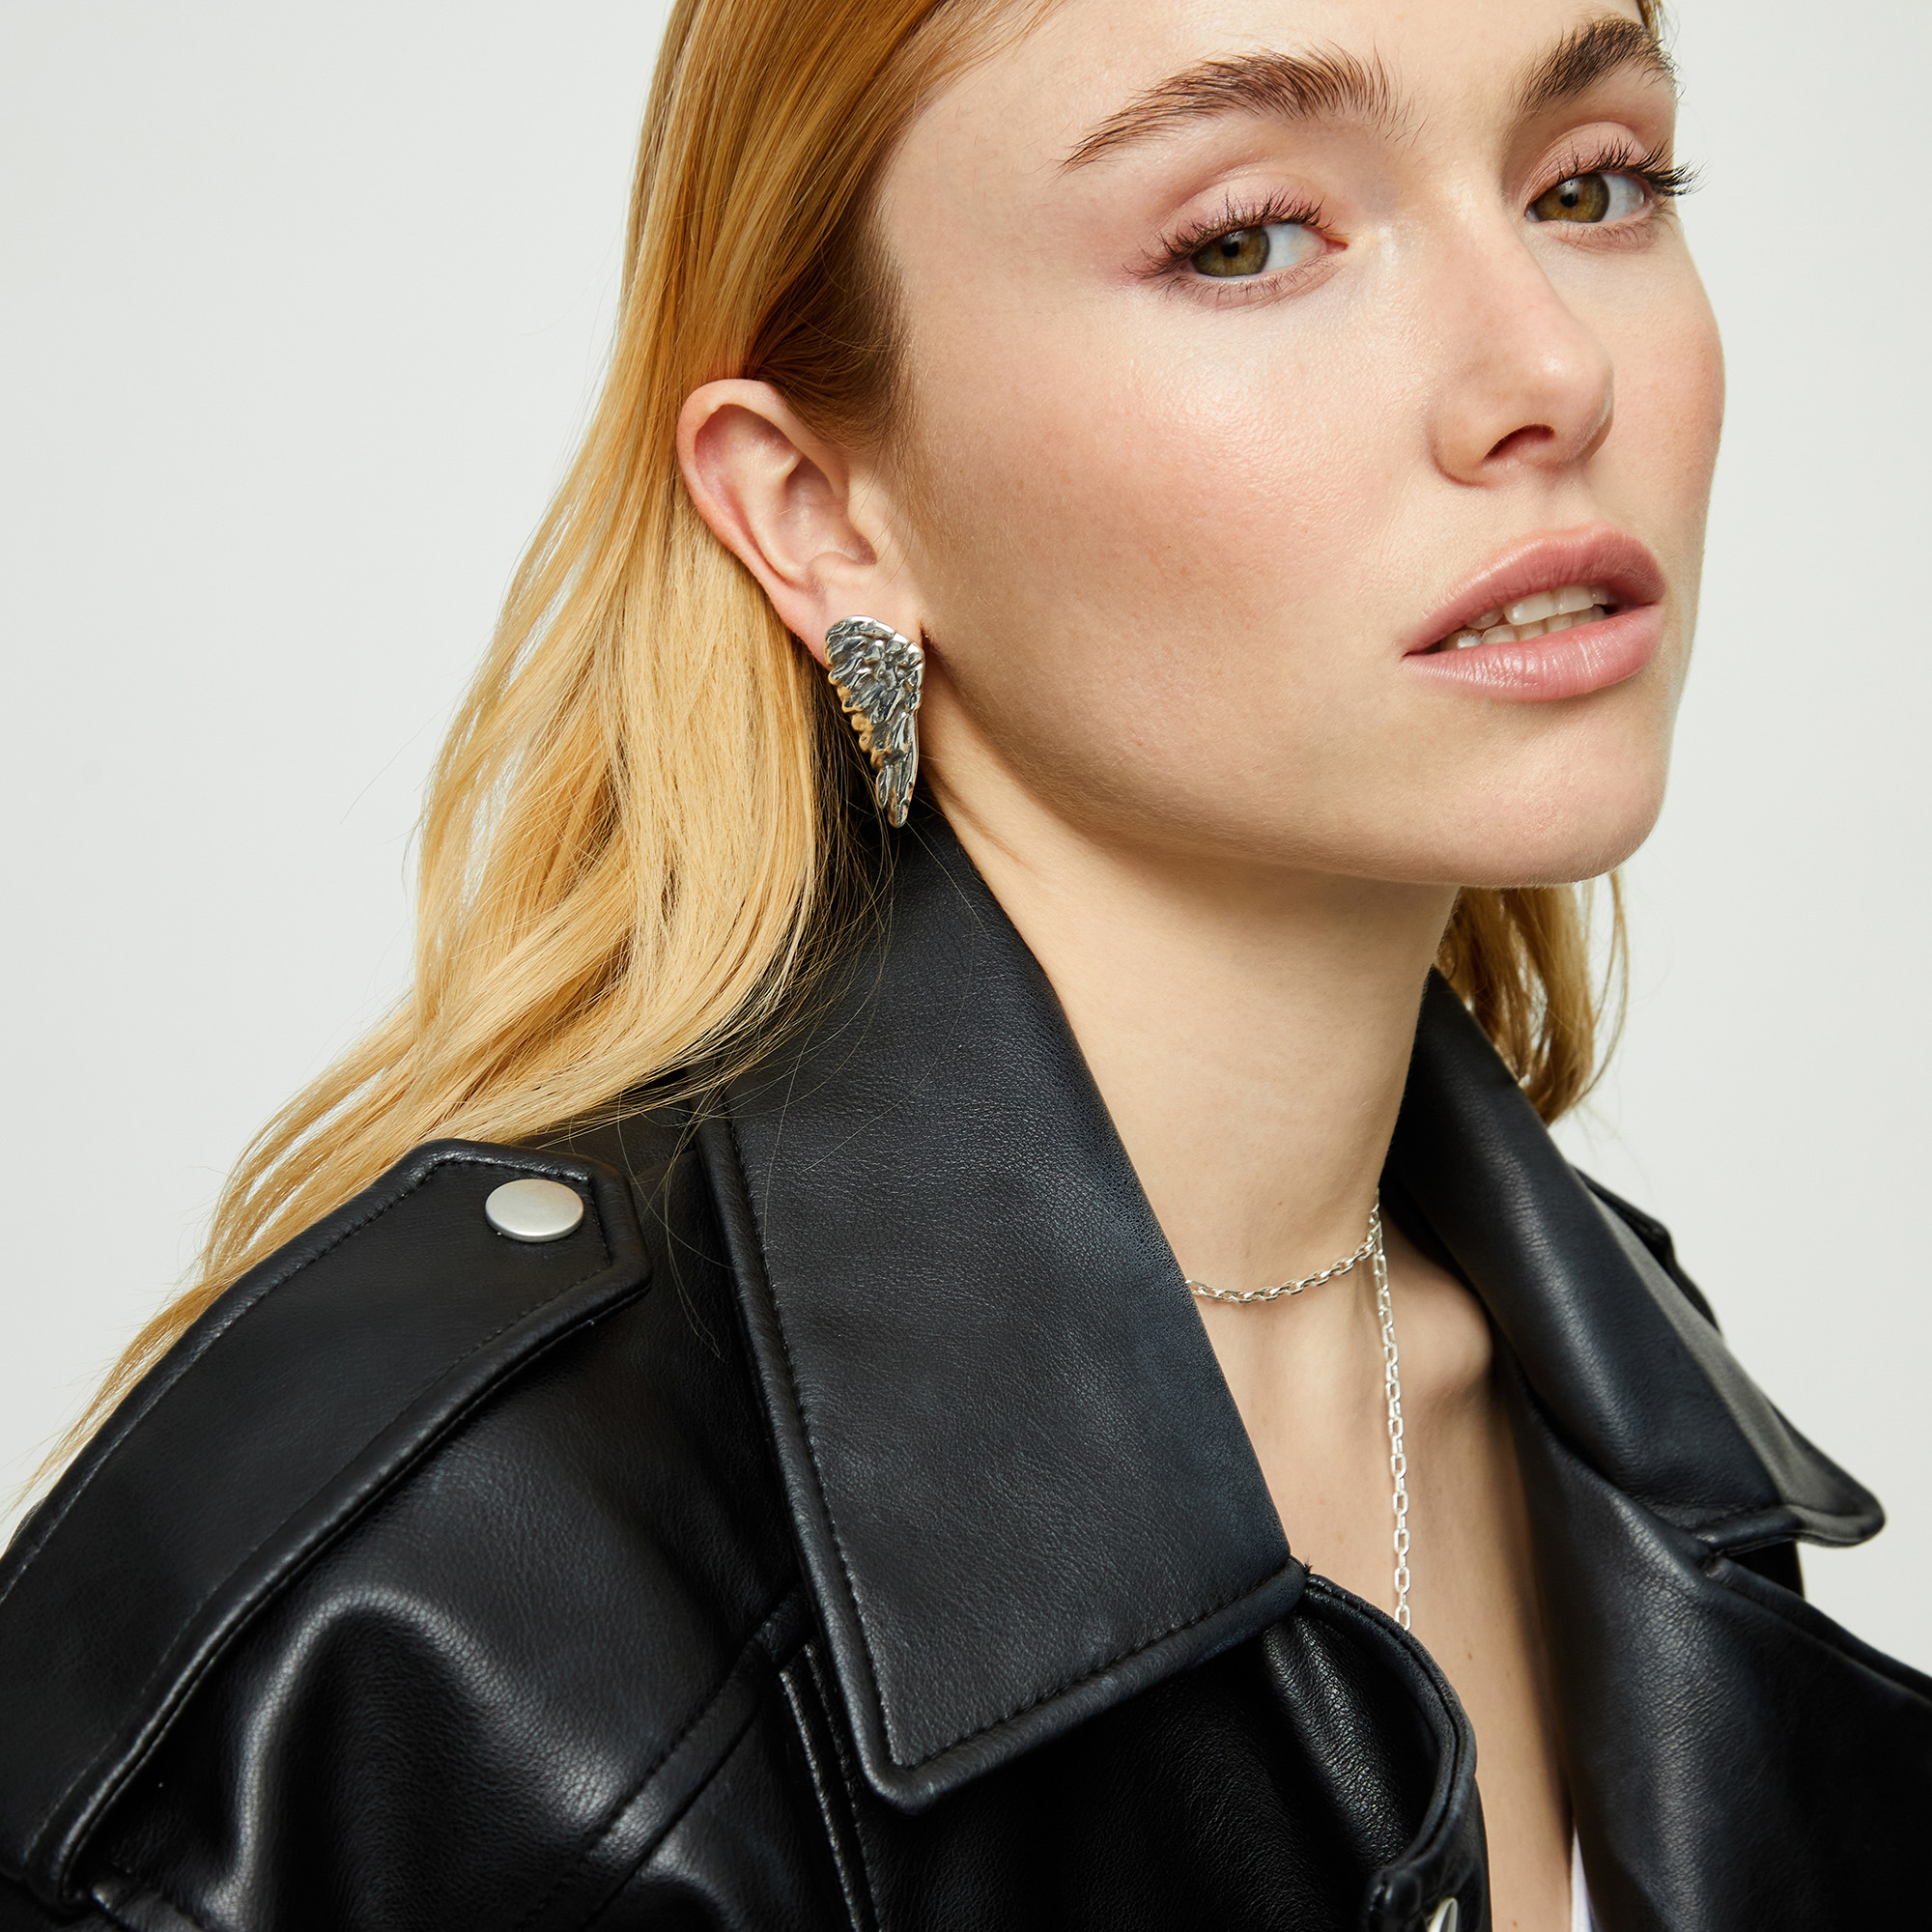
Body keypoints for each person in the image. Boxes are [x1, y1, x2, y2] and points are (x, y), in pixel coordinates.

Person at [2, 0, 1925, 1925]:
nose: (1550, 369)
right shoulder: (417, 1622)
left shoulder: (1632, 1425)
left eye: (1591, 186)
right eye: (1248, 239)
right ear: (818, 509)